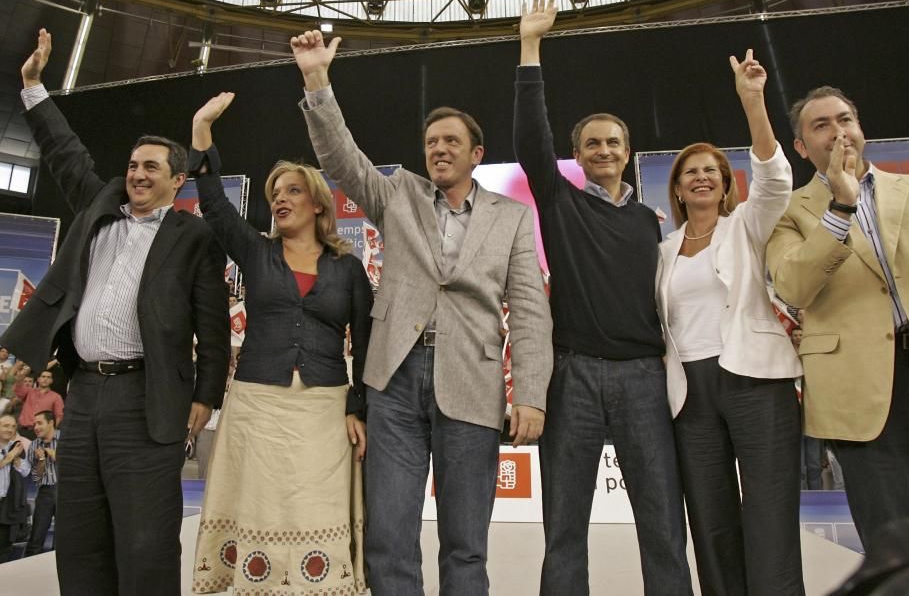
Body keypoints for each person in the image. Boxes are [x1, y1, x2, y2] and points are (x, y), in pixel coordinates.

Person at [292, 29, 553, 596]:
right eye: (432, 141)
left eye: (451, 142)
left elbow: (531, 310)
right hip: (394, 381)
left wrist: (530, 393)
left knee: (465, 544)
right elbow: (341, 160)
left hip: (472, 382)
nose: (438, 149)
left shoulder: (510, 217)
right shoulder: (398, 195)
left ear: (475, 154)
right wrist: (317, 79)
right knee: (389, 538)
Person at [3, 29, 230, 595]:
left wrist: (205, 396)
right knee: (79, 531)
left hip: (146, 396)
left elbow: (212, 322)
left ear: (178, 179)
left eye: (152, 167)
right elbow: (64, 150)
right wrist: (34, 87)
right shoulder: (100, 206)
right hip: (84, 397)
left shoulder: (193, 236)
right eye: (132, 165)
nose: (137, 174)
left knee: (145, 538)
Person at [766, 86, 909, 550]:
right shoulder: (788, 212)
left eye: (845, 119)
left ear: (860, 128)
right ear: (800, 147)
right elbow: (793, 286)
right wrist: (841, 207)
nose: (839, 132)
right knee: (893, 546)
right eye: (822, 125)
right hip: (861, 391)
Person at [514, 0, 691, 595]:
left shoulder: (650, 223)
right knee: (565, 526)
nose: (605, 151)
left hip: (644, 377)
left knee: (663, 524)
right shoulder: (562, 205)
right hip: (575, 379)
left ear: (628, 152)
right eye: (593, 143)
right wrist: (531, 48)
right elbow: (531, 140)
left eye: (614, 142)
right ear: (579, 155)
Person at [187, 92, 371, 595]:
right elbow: (215, 206)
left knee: (319, 508)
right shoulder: (256, 251)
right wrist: (202, 130)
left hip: (326, 408)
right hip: (257, 404)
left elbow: (368, 343)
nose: (281, 199)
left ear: (316, 203)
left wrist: (359, 405)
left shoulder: (348, 268)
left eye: (292, 190)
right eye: (274, 193)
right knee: (259, 507)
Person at [654, 50, 803, 594]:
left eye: (710, 172)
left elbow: (774, 180)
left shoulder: (748, 224)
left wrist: (752, 100)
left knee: (768, 512)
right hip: (688, 394)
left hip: (754, 381)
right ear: (676, 188)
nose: (700, 179)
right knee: (710, 520)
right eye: (690, 173)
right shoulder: (663, 250)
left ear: (724, 184)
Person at [24, 409, 58, 556]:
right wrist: (42, 461)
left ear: (51, 423)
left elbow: (75, 467)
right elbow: (36, 478)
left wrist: (55, 455)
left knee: (62, 539)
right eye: (34, 424)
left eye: (39, 423)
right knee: (36, 538)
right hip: (45, 492)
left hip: (67, 492)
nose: (36, 427)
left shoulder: (67, 439)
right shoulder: (33, 445)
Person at [0, 414, 29, 562]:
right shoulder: (11, 452)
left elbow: (25, 471)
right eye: (6, 426)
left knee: (5, 547)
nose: (10, 429)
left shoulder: (16, 447)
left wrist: (16, 457)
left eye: (13, 426)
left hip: (8, 506)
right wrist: (9, 457)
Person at [14, 368, 64, 437]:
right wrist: (20, 379)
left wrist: (52, 431)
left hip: (41, 432)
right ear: (38, 379)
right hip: (22, 430)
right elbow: (18, 391)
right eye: (43, 376)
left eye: (48, 377)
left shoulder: (56, 397)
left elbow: (59, 416)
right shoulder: (29, 391)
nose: (45, 379)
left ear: (51, 381)